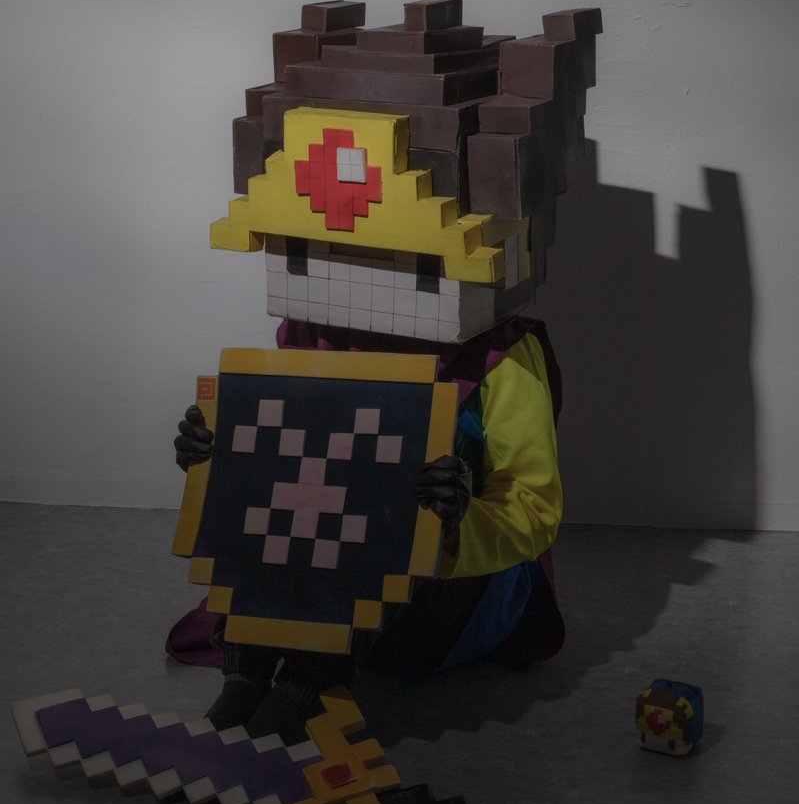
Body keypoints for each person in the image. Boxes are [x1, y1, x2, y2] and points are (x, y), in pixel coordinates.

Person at [174, 314, 565, 744]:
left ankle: (306, 687)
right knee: (283, 452)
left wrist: (457, 520)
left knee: (395, 463)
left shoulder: (505, 347)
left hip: (447, 593)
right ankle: (246, 676)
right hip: (323, 570)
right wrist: (220, 454)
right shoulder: (315, 322)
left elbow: (533, 507)